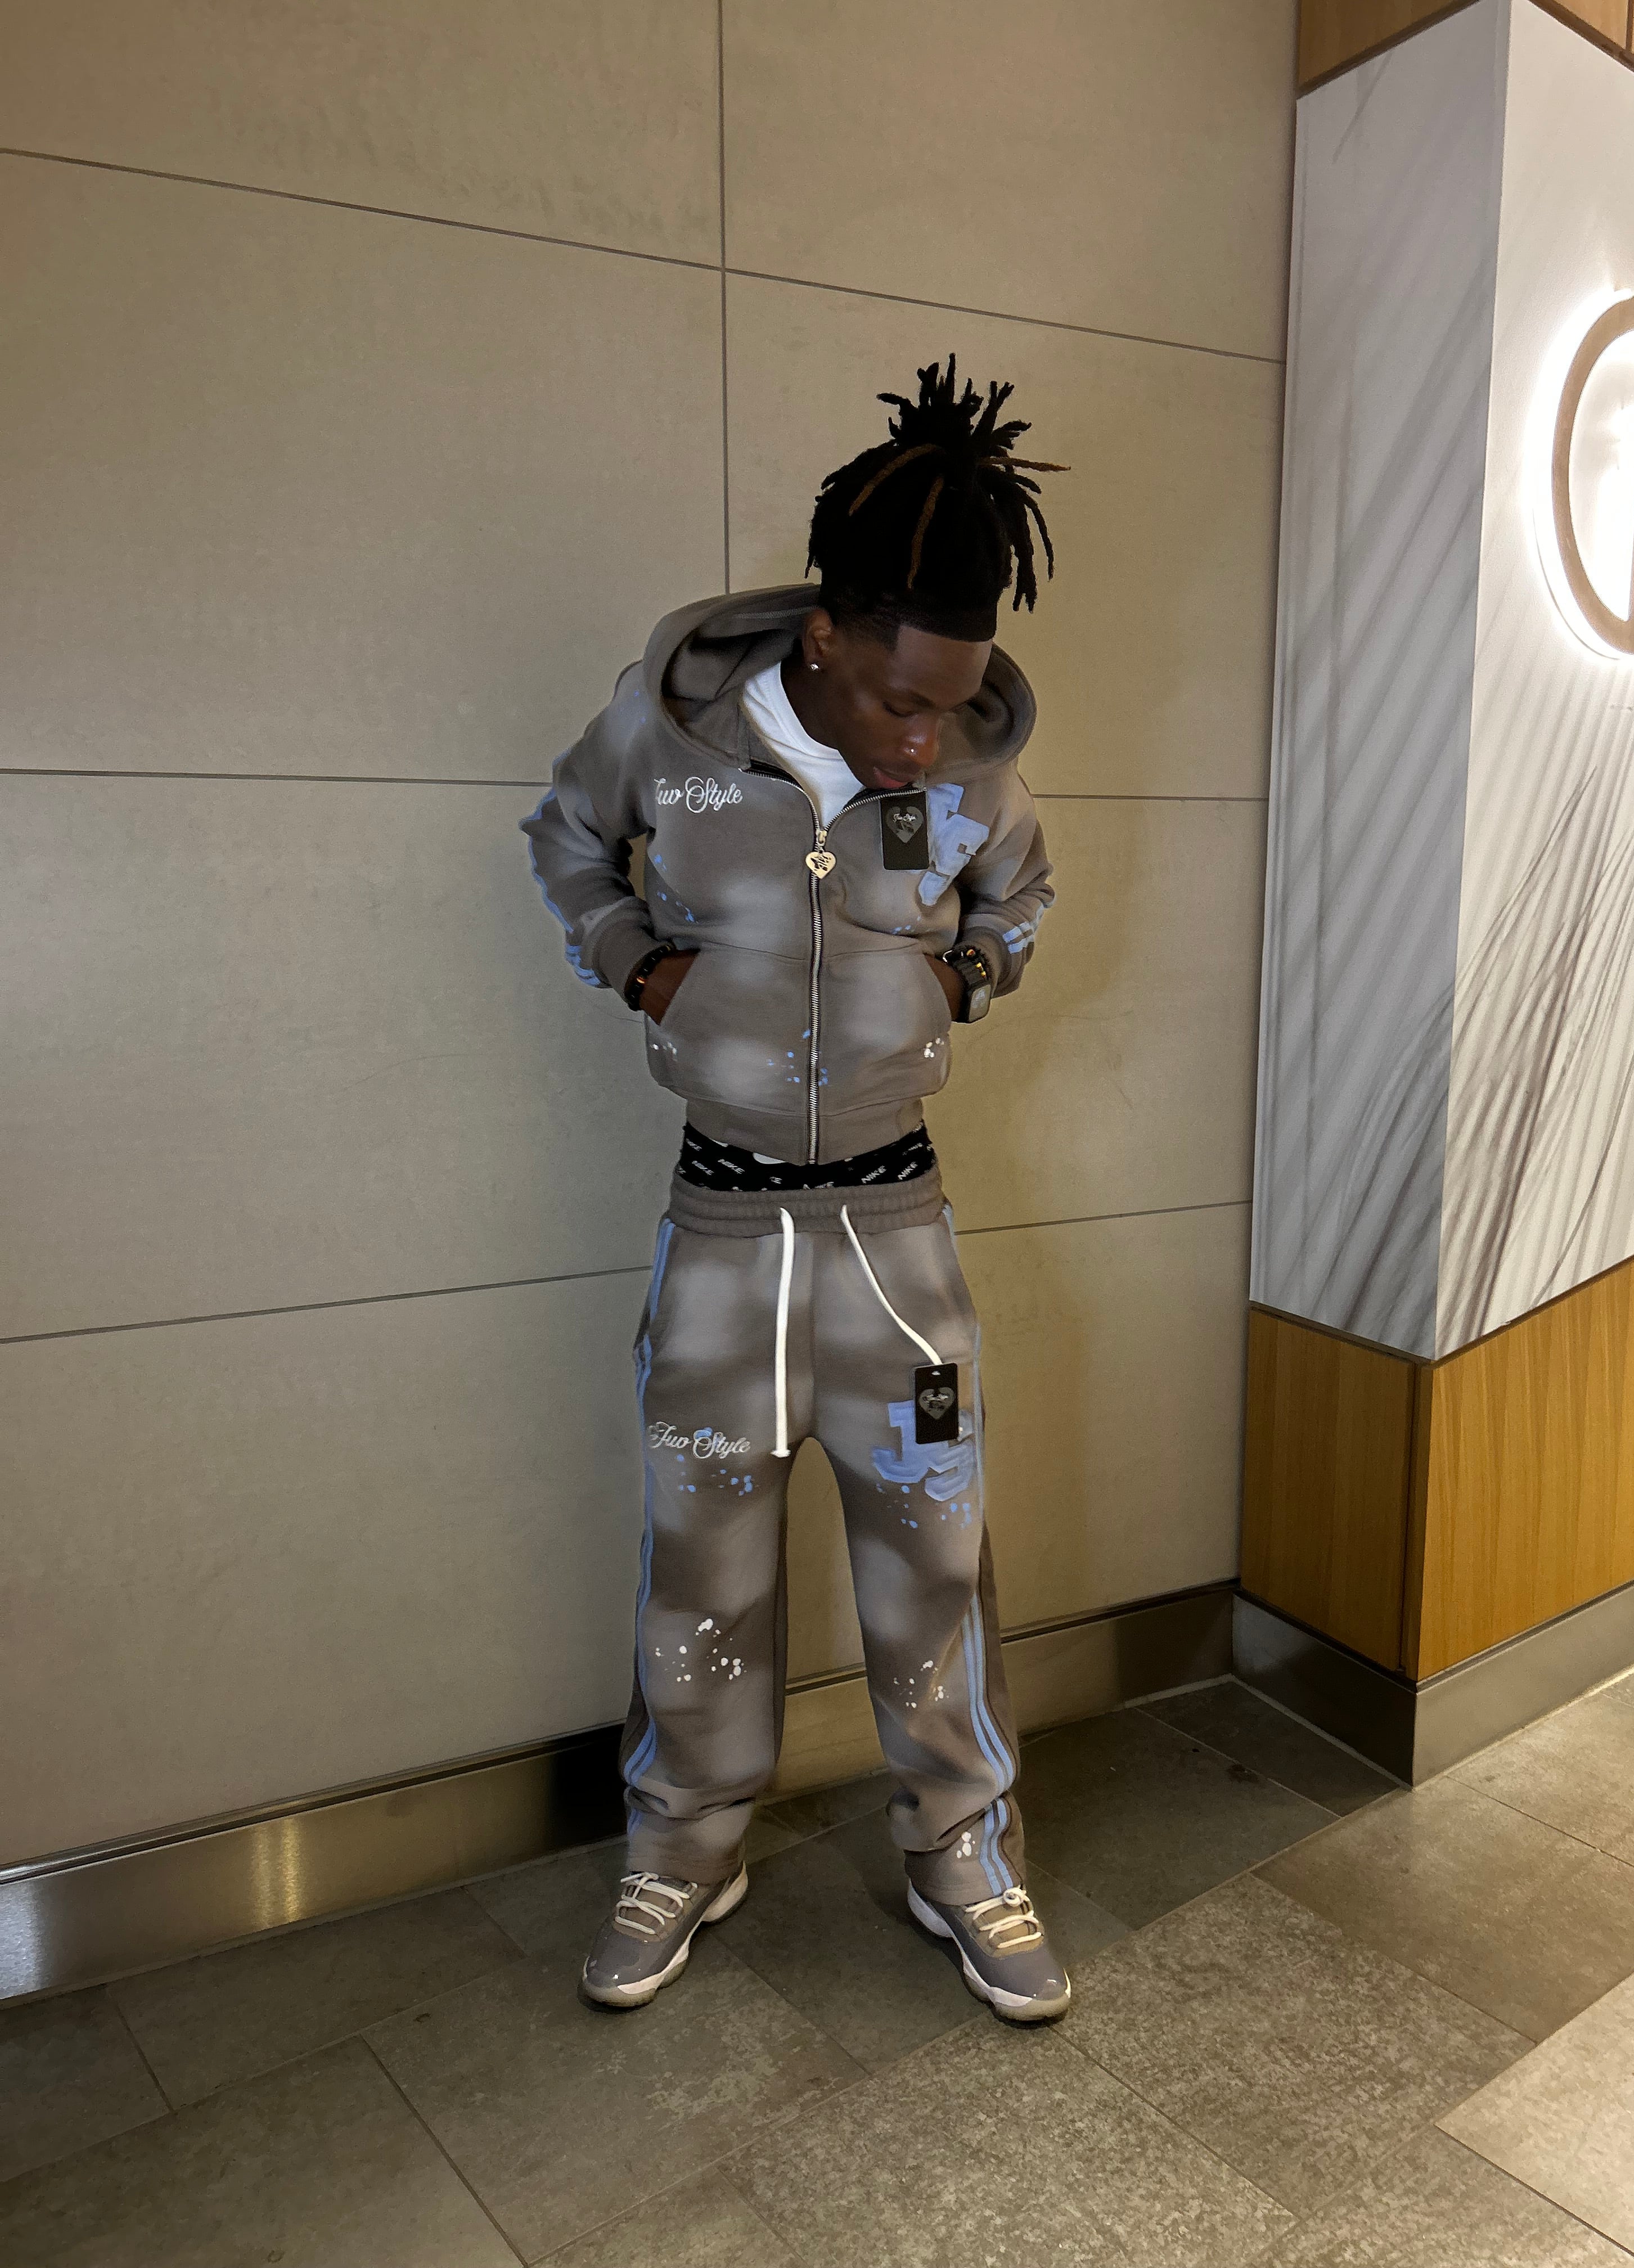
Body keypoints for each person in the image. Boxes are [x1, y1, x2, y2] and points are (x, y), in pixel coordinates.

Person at [522, 358, 1068, 2022]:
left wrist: (965, 973)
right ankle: (686, 1845)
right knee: (702, 1561)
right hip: (724, 1242)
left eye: (953, 706)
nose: (927, 740)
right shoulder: (671, 739)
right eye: (901, 700)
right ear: (825, 641)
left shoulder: (964, 769)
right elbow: (564, 837)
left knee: (936, 1548)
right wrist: (641, 965)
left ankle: (963, 1850)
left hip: (899, 1251)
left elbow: (1024, 894)